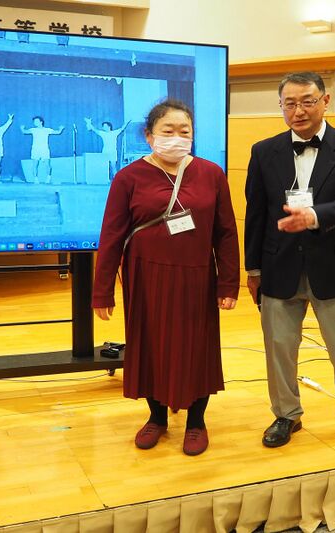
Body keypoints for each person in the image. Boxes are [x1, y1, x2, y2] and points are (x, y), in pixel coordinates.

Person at [244, 72, 335, 457]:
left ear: (325, 100)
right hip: (278, 266)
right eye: (289, 103)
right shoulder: (264, 151)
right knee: (279, 350)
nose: (299, 111)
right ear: (280, 106)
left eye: (307, 101)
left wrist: (315, 216)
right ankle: (286, 415)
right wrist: (253, 269)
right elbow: (255, 213)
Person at [92, 99, 239, 456]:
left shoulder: (211, 174)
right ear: (149, 135)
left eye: (184, 131)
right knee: (150, 346)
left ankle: (196, 422)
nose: (176, 137)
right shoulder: (128, 178)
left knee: (197, 347)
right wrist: (102, 291)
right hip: (146, 278)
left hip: (196, 277)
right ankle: (156, 417)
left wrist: (228, 282)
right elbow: (111, 236)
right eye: (167, 131)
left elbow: (226, 233)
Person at [20, 116, 64, 184]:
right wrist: (22, 128)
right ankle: (35, 179)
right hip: (35, 149)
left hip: (44, 149)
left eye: (36, 121)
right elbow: (24, 132)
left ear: (41, 122)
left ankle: (48, 178)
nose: (35, 123)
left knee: (47, 165)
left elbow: (58, 132)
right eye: (34, 122)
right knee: (35, 165)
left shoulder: (47, 130)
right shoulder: (33, 130)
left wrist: (60, 129)